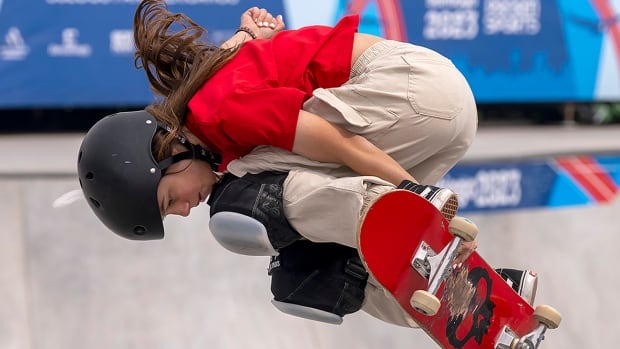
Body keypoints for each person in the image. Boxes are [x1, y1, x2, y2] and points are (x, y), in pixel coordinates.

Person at [77, 1, 537, 328]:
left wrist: (411, 191)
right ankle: (482, 300)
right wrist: (252, 34)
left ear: (168, 154)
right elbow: (238, 52)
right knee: (320, 260)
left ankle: (386, 206)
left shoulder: (218, 110)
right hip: (441, 119)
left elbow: (334, 139)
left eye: (167, 201)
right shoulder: (218, 111)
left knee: (242, 198)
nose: (183, 211)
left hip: (413, 91)